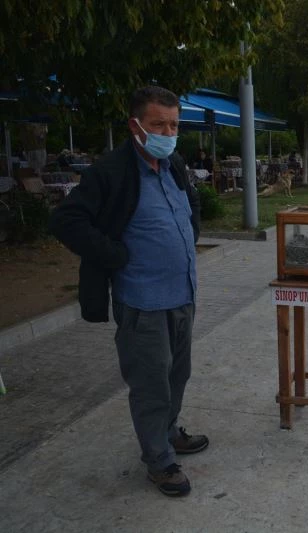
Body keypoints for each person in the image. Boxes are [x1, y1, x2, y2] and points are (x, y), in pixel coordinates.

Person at [48, 86, 206, 498]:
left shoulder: (173, 164)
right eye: (159, 125)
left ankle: (169, 432)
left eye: (174, 124)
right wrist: (114, 254)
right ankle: (159, 461)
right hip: (144, 302)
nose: (168, 133)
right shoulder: (112, 171)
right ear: (135, 126)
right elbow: (66, 220)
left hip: (183, 294)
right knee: (151, 384)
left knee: (177, 374)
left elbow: (190, 206)